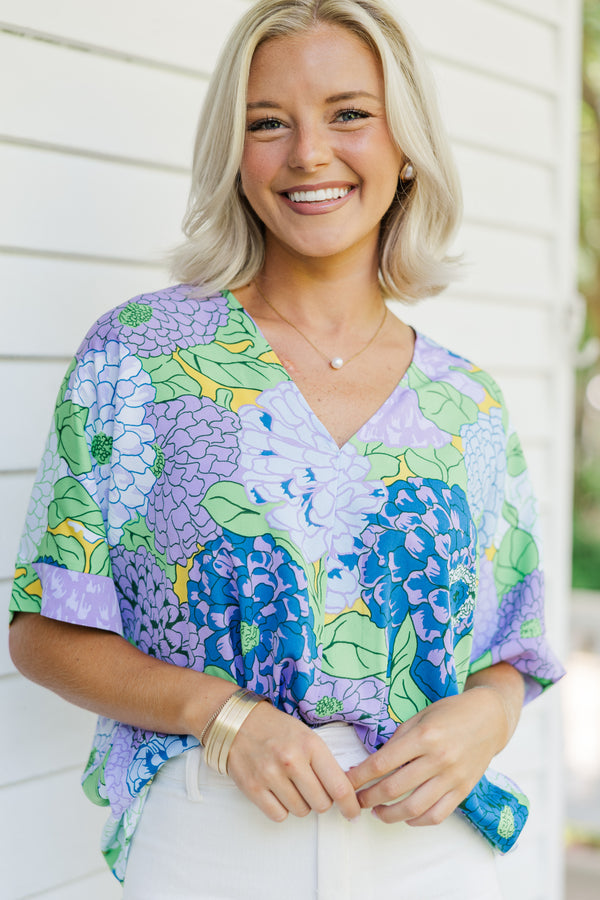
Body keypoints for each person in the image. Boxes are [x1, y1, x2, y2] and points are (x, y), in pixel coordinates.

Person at [9, 1, 564, 897]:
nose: (308, 153)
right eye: (268, 123)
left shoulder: (468, 401)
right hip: (213, 837)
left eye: (349, 113)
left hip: (431, 853)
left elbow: (516, 647)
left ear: (406, 144)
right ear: (234, 155)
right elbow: (43, 630)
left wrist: (488, 720)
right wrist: (222, 716)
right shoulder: (142, 356)